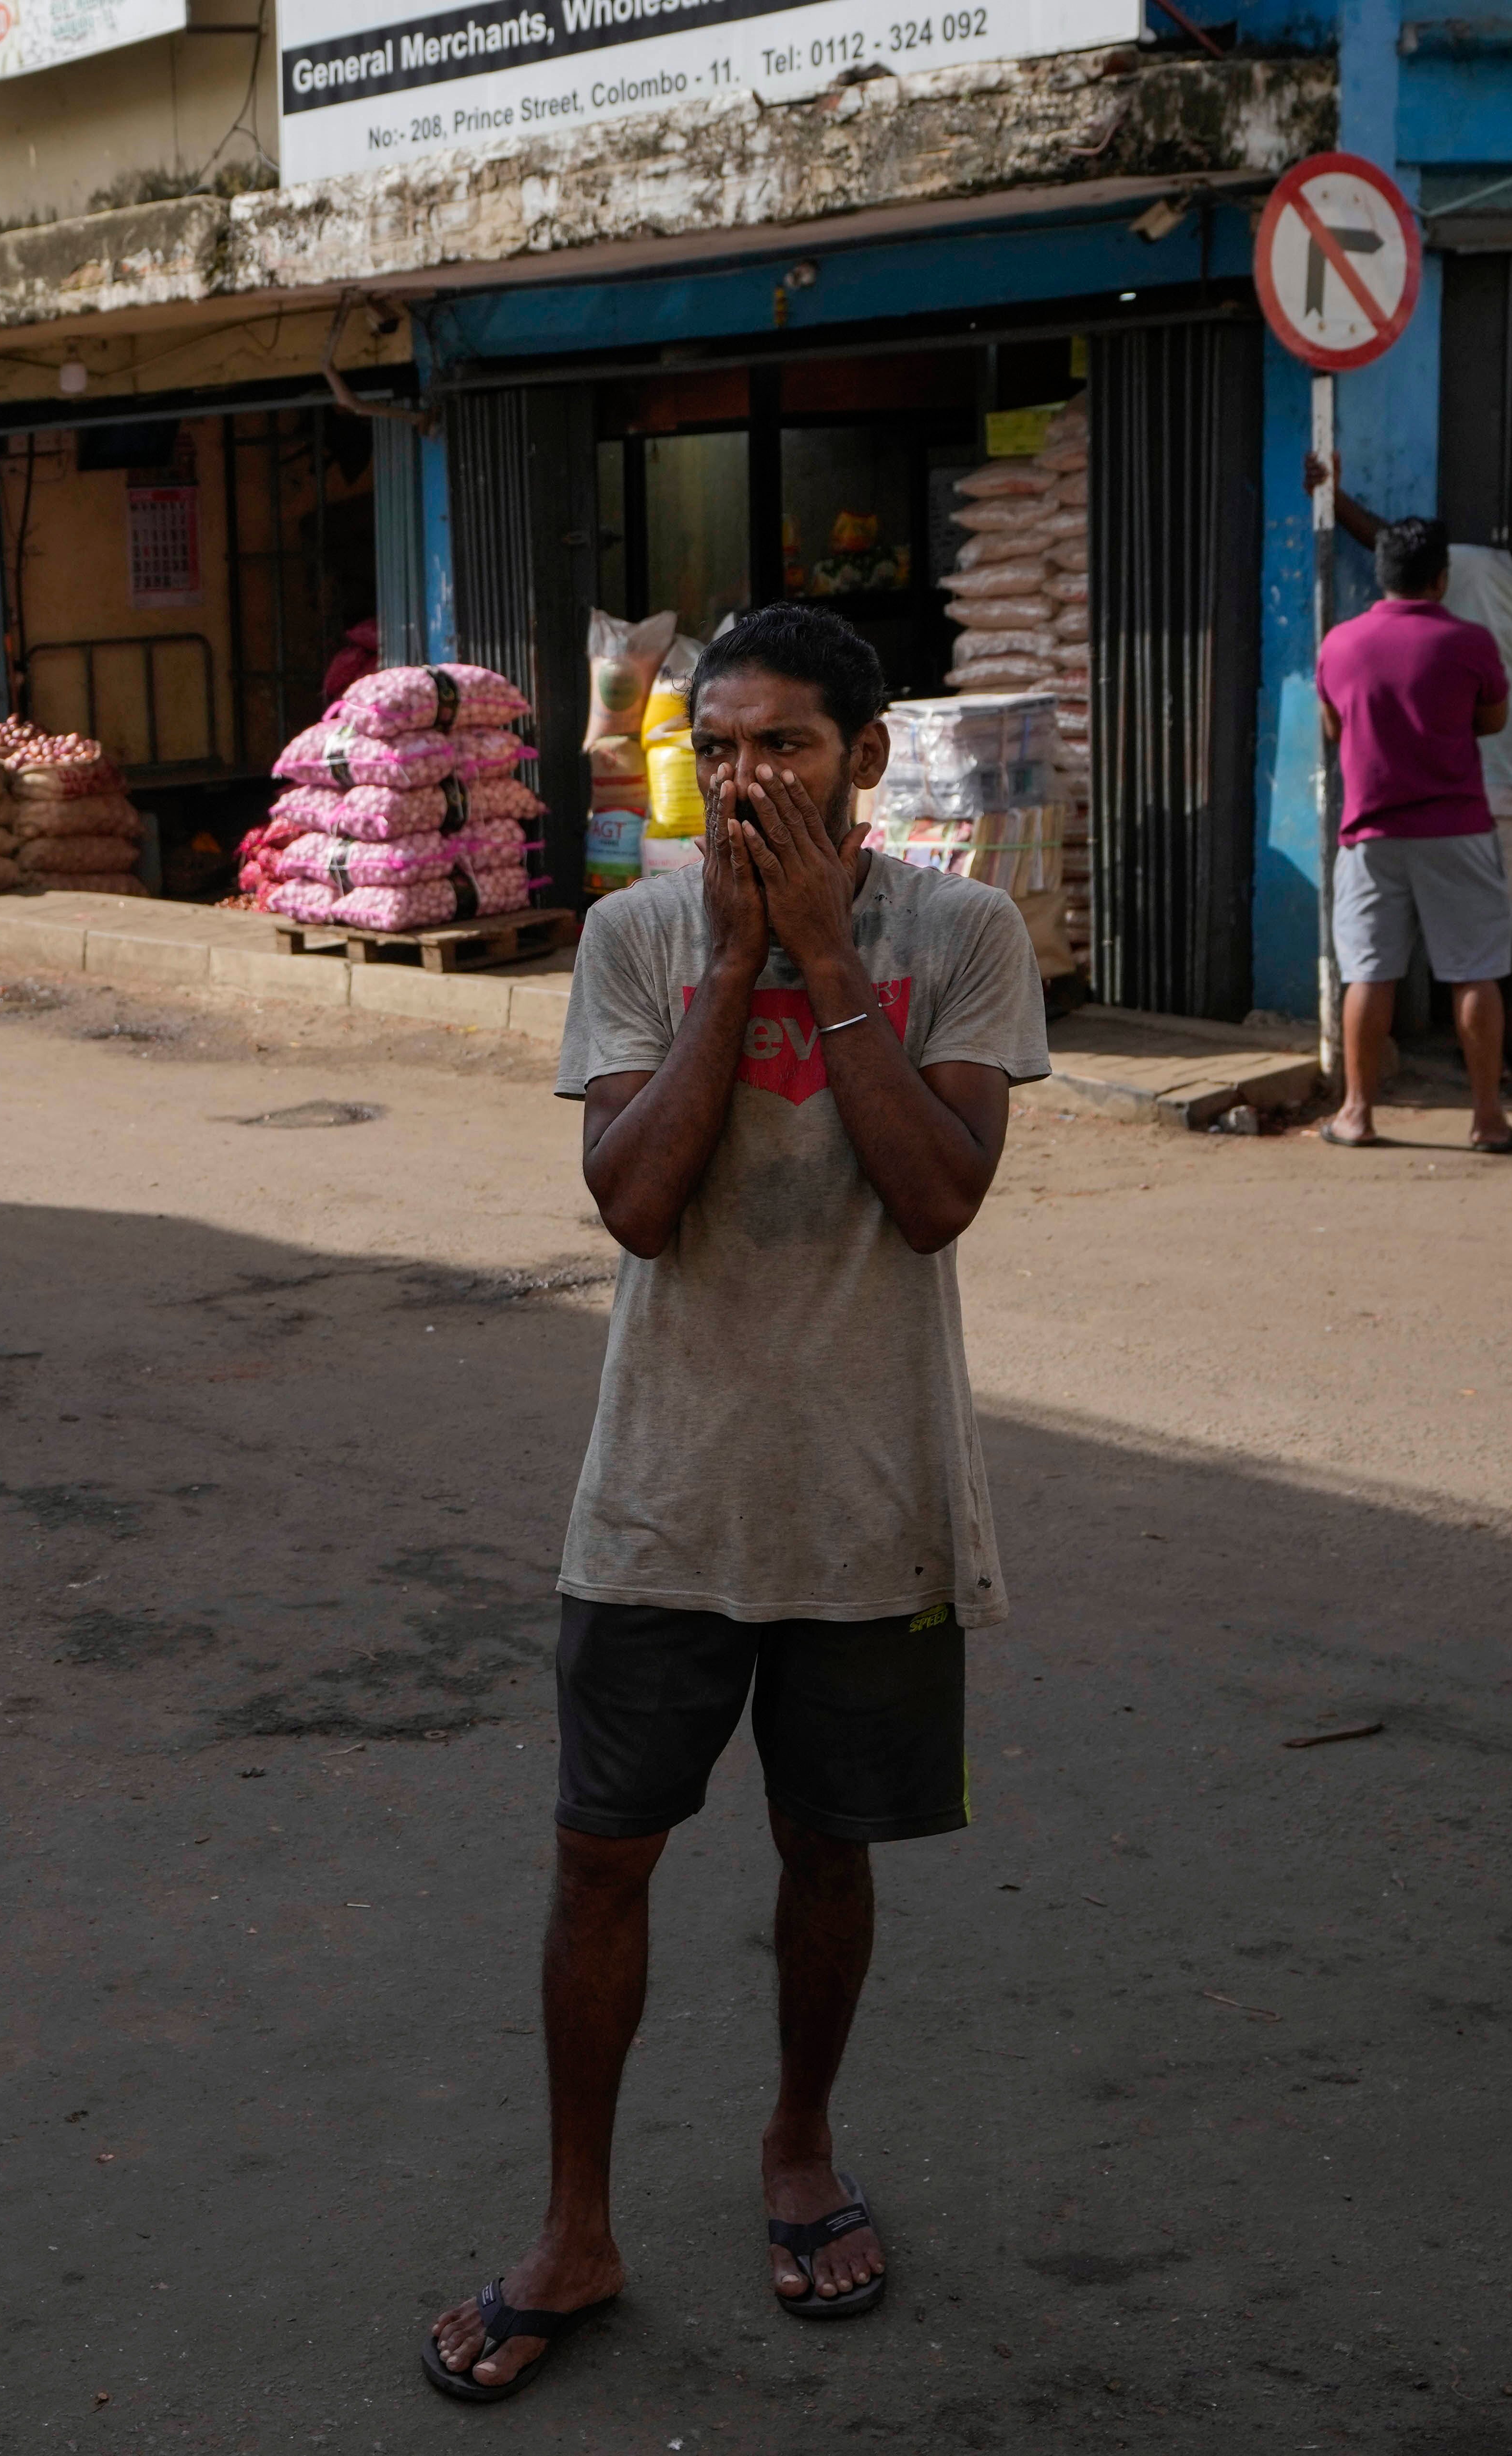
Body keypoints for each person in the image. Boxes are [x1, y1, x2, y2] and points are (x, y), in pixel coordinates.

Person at [422, 604, 1049, 2401]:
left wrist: (826, 959)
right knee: (598, 1852)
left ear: (861, 754)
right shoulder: (631, 930)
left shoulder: (963, 934)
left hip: (871, 1493)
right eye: (725, 744)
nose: (752, 774)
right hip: (664, 1491)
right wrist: (728, 969)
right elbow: (631, 1200)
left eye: (789, 742)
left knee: (825, 1844)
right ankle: (575, 2223)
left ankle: (797, 2143)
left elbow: (937, 1194)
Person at [1311, 455, 1512, 1077]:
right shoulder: (1467, 567)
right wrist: (1334, 497)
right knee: (1500, 915)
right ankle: (1498, 1050)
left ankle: (1492, 1037)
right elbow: (1391, 546)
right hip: (1483, 784)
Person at [1313, 516, 1512, 1153]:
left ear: (1382, 575)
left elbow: (1332, 727)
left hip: (1370, 833)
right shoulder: (1470, 641)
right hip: (1455, 827)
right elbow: (1491, 719)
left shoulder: (1339, 644)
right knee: (1474, 973)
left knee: (1369, 974)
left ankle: (1355, 1113)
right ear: (1440, 578)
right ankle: (1486, 1119)